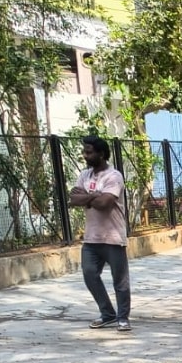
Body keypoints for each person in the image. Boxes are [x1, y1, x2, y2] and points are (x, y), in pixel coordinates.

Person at [69, 136, 131, 332]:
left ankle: (123, 318)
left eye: (89, 152)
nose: (85, 156)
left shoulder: (114, 176)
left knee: (120, 281)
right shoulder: (85, 175)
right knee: (89, 275)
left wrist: (85, 198)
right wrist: (93, 196)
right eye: (85, 152)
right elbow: (73, 197)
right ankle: (108, 314)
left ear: (101, 153)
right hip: (91, 238)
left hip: (113, 237)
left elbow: (105, 204)